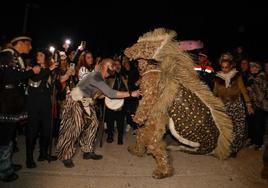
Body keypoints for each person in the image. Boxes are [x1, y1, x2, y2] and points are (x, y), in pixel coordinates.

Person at [56, 58, 141, 168]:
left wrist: (105, 96)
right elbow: (110, 93)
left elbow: (100, 93)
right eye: (112, 67)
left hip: (87, 102)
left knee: (93, 124)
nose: (114, 69)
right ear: (105, 66)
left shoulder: (100, 78)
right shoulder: (95, 76)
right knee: (74, 127)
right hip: (76, 100)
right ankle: (65, 155)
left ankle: (87, 151)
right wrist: (131, 94)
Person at [0, 36, 40, 182]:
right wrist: (31, 71)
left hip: (12, 102)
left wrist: (26, 71)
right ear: (21, 43)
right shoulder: (6, 55)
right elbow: (12, 75)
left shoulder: (14, 56)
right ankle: (4, 170)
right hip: (6, 103)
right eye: (28, 45)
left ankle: (7, 164)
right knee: (5, 137)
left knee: (10, 135)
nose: (30, 48)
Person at [25, 49, 58, 169]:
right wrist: (49, 70)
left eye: (41, 55)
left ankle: (43, 154)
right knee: (32, 132)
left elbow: (55, 85)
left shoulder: (50, 69)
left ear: (46, 57)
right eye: (37, 54)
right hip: (33, 104)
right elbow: (36, 78)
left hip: (46, 104)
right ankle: (29, 158)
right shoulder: (33, 68)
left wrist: (55, 73)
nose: (38, 56)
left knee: (47, 131)